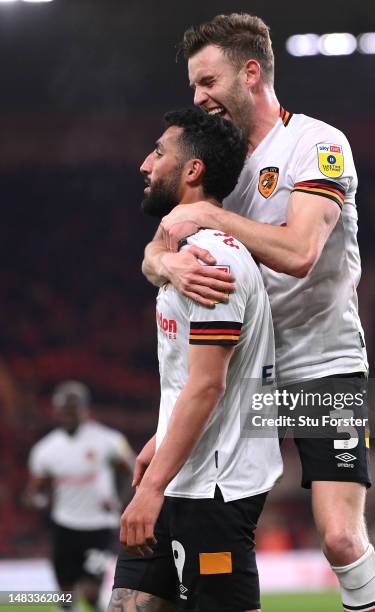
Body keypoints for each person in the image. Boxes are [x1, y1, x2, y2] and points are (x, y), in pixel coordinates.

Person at [142, 14, 375, 612]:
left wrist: (210, 218)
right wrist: (165, 264)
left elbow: (302, 252)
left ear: (251, 73)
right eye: (193, 87)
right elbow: (160, 240)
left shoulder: (317, 144)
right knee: (196, 517)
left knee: (338, 536)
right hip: (241, 371)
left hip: (316, 364)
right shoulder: (213, 156)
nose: (198, 98)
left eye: (208, 82)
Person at [109, 108, 282, 612]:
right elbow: (191, 378)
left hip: (213, 488)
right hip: (179, 470)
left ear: (192, 171)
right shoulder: (183, 257)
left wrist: (151, 489)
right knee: (126, 604)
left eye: (159, 151)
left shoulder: (213, 263)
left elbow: (209, 385)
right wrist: (161, 440)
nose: (145, 163)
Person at [25, 380, 135, 610]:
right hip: (65, 526)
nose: (68, 414)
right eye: (64, 409)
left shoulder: (108, 440)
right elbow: (35, 491)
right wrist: (36, 500)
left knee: (91, 592)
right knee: (65, 596)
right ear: (56, 411)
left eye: (73, 408)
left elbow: (133, 470)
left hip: (99, 528)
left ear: (85, 409)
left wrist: (120, 501)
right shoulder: (45, 450)